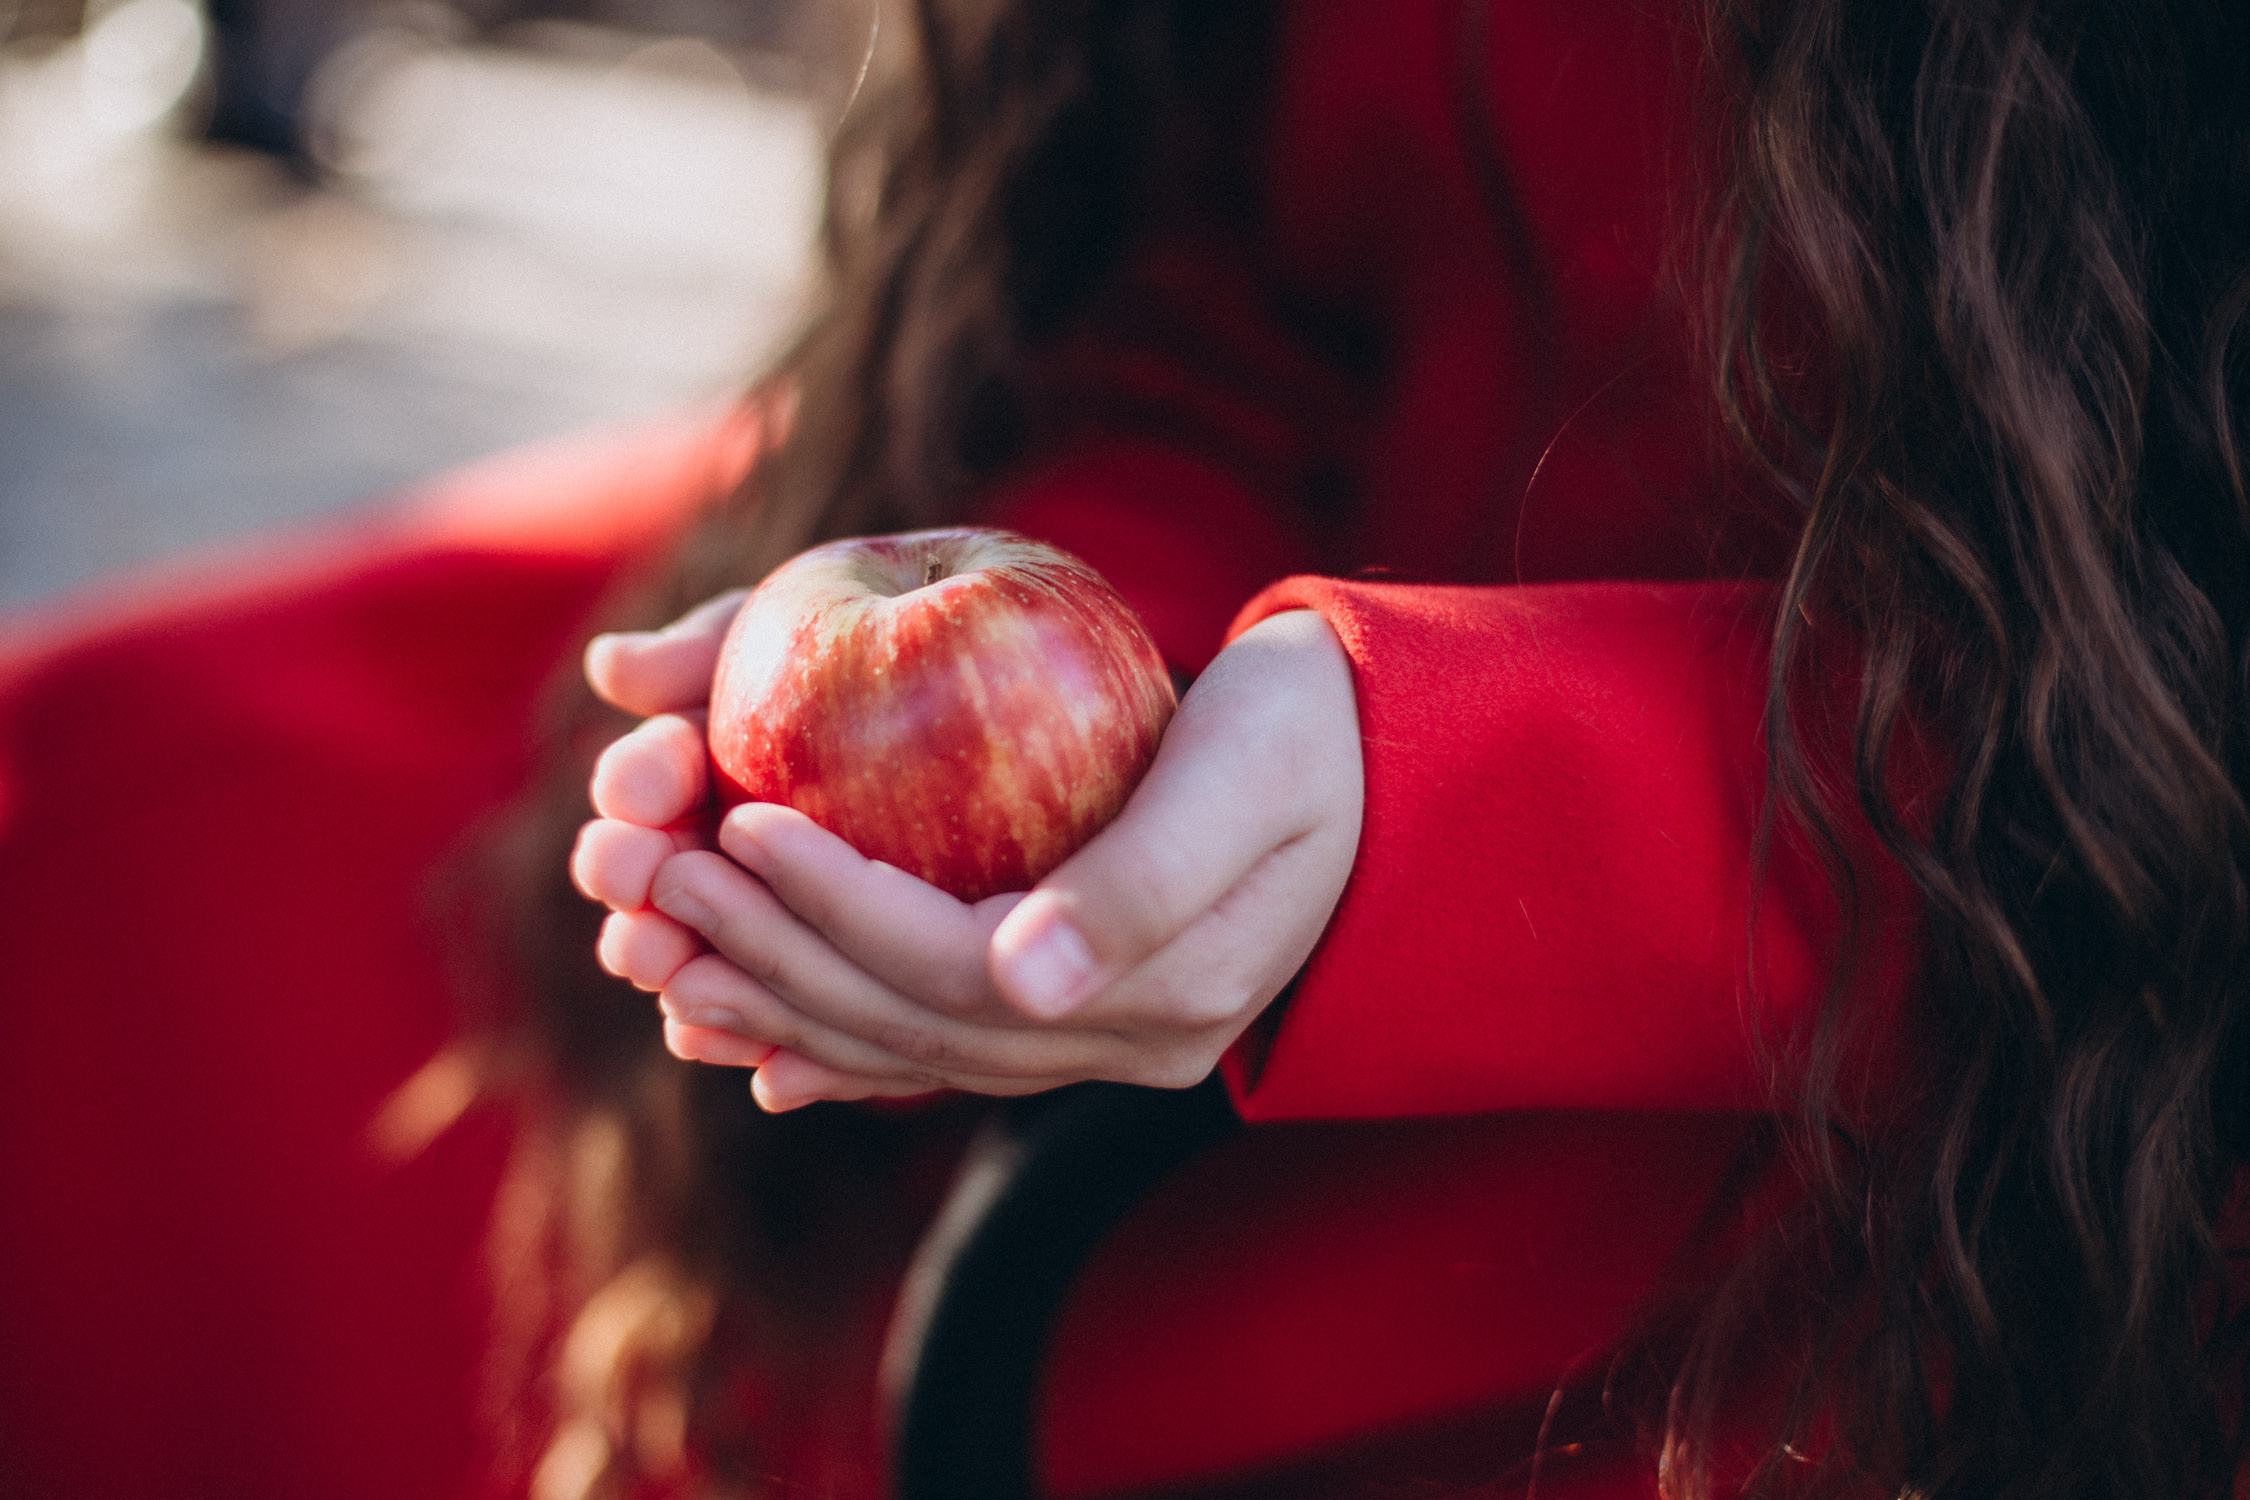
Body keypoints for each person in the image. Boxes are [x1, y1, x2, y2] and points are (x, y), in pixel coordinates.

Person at [505, 0, 2250, 1496]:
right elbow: (1215, 296)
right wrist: (1123, 697)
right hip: (1230, 1017)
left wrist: (1433, 799)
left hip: (1984, 1167)